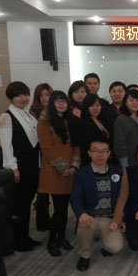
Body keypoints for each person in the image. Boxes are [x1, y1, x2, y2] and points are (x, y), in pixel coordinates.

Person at [0, 81, 40, 252]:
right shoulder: (6, 117)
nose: (23, 98)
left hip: (31, 166)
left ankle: (24, 236)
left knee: (26, 202)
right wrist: (12, 168)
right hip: (19, 167)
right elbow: (6, 146)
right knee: (19, 204)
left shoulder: (27, 115)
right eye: (18, 95)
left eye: (25, 94)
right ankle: (17, 240)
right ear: (11, 97)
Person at [71, 140, 127, 272]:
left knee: (115, 247)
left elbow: (123, 198)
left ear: (109, 154)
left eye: (104, 151)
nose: (100, 154)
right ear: (89, 153)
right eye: (95, 151)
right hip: (90, 217)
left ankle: (104, 244)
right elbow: (75, 198)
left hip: (110, 219)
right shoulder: (81, 174)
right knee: (84, 225)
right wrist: (82, 214)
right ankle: (85, 255)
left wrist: (120, 219)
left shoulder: (117, 173)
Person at [37, 90, 80, 257]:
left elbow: (76, 145)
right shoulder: (44, 123)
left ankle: (61, 238)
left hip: (71, 172)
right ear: (51, 104)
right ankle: (52, 241)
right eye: (58, 101)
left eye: (64, 101)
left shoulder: (70, 121)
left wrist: (74, 166)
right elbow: (47, 149)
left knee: (64, 209)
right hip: (54, 171)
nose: (61, 104)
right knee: (60, 209)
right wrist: (64, 168)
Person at [29, 82, 53, 232]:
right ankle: (42, 222)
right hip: (39, 154)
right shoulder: (32, 113)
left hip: (52, 153)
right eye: (41, 95)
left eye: (47, 95)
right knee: (42, 189)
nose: (44, 98)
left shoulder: (55, 111)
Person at [113, 89, 138, 167]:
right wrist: (125, 165)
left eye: (137, 100)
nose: (135, 103)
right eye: (131, 100)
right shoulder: (121, 120)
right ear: (125, 102)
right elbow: (119, 144)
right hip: (129, 162)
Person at [78, 94, 112, 167]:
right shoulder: (83, 122)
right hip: (90, 160)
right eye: (92, 106)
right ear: (86, 107)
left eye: (97, 105)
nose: (95, 108)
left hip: (105, 159)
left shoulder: (103, 120)